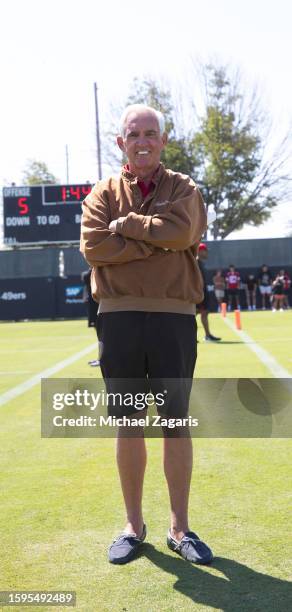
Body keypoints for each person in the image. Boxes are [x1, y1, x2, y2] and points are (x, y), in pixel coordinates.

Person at [80, 104, 213, 566]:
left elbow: (183, 234)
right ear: (121, 142)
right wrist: (157, 244)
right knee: (130, 423)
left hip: (174, 317)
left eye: (150, 133)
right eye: (133, 133)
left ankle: (180, 527)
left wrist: (131, 230)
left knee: (175, 423)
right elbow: (94, 245)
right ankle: (134, 526)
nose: (142, 140)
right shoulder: (102, 193)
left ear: (163, 140)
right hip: (119, 319)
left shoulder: (185, 188)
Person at [197, 244, 221, 341]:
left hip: (201, 292)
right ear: (200, 251)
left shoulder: (200, 263)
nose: (207, 252)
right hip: (199, 293)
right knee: (194, 314)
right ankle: (193, 337)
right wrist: (199, 293)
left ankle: (207, 335)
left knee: (204, 313)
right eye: (205, 250)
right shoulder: (196, 262)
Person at [81, 268, 100, 366]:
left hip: (97, 306)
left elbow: (85, 277)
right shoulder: (91, 271)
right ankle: (101, 358)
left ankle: (102, 359)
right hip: (93, 307)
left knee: (102, 335)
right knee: (99, 334)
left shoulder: (95, 270)